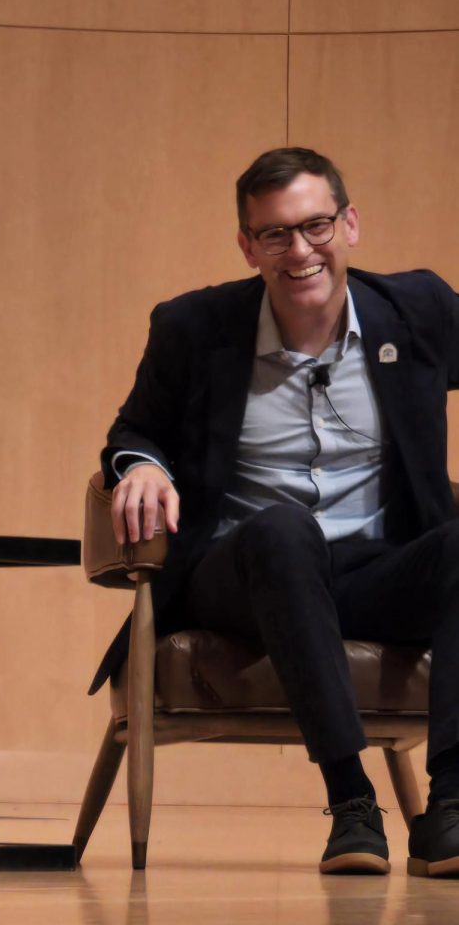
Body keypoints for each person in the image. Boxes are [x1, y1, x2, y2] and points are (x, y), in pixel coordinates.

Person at [94, 146, 459, 878]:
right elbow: (133, 430)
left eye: (316, 225)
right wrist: (139, 466)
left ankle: (447, 809)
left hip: (372, 569)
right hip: (245, 575)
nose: (300, 251)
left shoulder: (417, 310)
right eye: (274, 234)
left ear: (349, 223)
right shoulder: (194, 328)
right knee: (282, 527)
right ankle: (350, 802)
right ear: (246, 244)